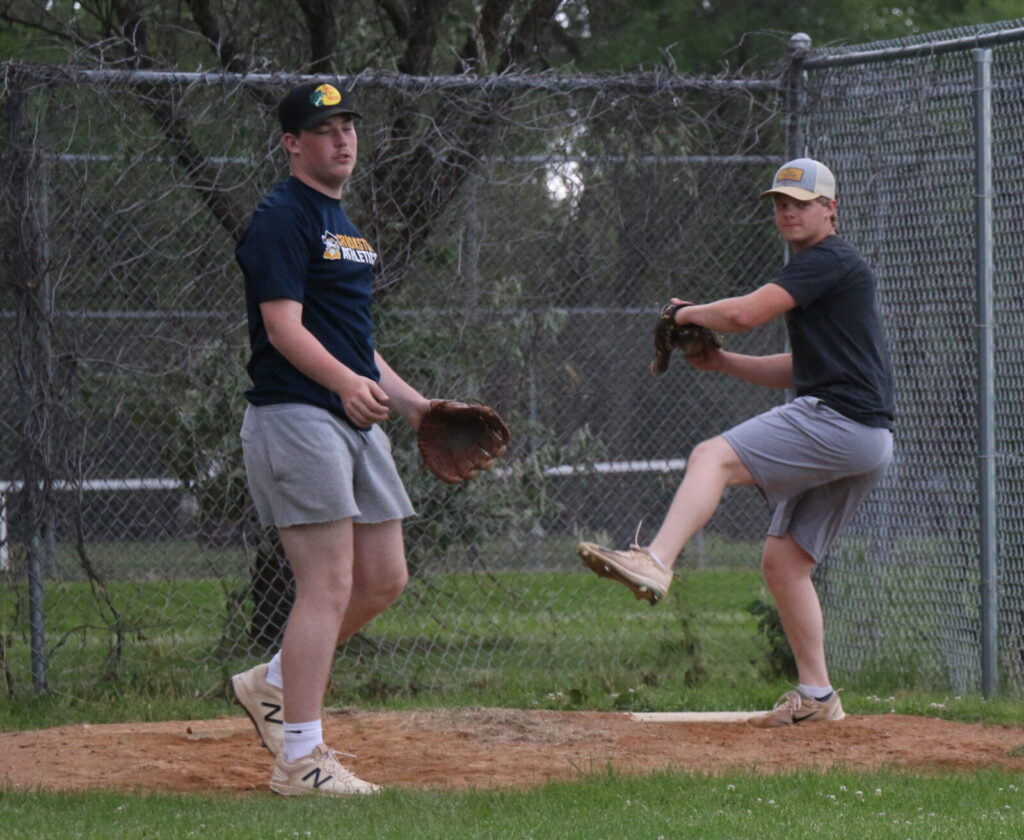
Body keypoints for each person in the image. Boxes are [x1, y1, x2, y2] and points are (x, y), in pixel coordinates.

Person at [578, 158, 894, 728]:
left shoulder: (828, 259)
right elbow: (801, 369)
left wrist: (683, 312)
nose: (788, 210)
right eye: (780, 202)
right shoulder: (824, 270)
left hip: (840, 420)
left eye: (801, 201)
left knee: (711, 456)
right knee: (785, 562)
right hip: (862, 436)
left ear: (831, 209)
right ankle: (817, 697)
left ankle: (654, 560)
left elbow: (746, 313)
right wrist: (721, 362)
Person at [230, 80, 435, 796]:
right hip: (296, 414)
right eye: (324, 129)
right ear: (293, 143)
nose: (342, 138)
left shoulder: (342, 225)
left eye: (348, 125)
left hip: (351, 415)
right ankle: (301, 759)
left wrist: (416, 406)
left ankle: (274, 683)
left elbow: (355, 344)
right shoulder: (281, 217)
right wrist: (345, 387)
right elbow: (283, 330)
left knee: (384, 577)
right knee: (328, 582)